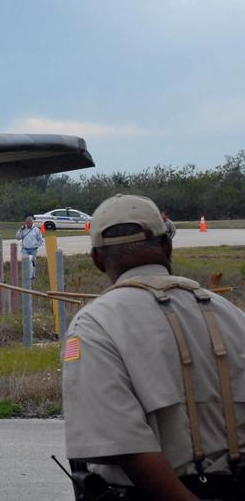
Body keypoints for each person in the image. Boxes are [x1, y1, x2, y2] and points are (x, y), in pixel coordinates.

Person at [62, 194, 245, 499]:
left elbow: (124, 445)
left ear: (96, 259)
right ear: (167, 246)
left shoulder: (94, 325)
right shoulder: (230, 313)